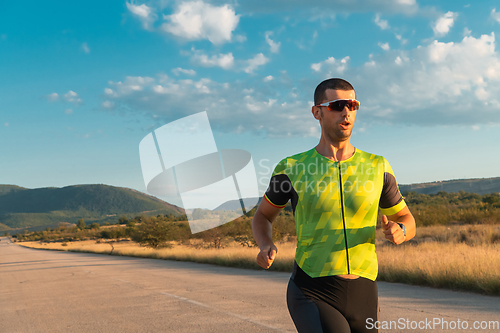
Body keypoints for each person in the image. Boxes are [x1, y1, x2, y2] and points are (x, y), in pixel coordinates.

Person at [252, 78, 416, 333]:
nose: (346, 112)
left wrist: (401, 230)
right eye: (337, 105)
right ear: (317, 112)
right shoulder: (292, 168)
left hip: (364, 290)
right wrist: (265, 244)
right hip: (312, 289)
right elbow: (263, 215)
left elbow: (407, 218)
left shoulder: (378, 166)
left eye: (353, 105)